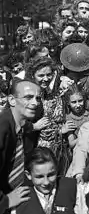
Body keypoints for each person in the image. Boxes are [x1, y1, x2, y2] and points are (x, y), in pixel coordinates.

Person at [0, 79, 41, 214]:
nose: (35, 103)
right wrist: (5, 201)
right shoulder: (2, 127)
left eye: (38, 98)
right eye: (28, 97)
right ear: (12, 100)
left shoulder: (19, 126)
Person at [16, 147, 77, 214]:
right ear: (28, 175)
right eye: (39, 177)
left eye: (51, 175)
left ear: (56, 170)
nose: (46, 182)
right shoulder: (20, 199)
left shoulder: (72, 188)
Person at [64, 84, 89, 149]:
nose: (78, 105)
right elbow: (71, 143)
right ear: (68, 103)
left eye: (80, 101)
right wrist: (85, 137)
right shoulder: (69, 119)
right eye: (74, 102)